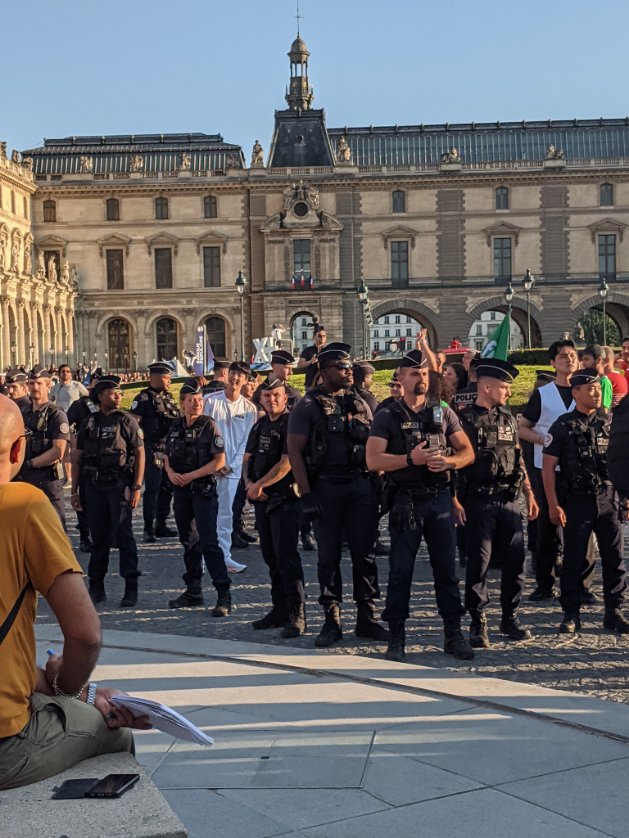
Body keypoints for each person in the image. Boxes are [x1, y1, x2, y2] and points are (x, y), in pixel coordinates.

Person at [0, 394, 149, 790]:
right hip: (2, 746)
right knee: (114, 733)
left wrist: (73, 691)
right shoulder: (21, 504)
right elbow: (85, 636)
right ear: (19, 449)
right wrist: (73, 691)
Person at [366, 349, 475, 662]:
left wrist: (449, 462)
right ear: (401, 378)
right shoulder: (388, 415)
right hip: (406, 500)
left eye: (425, 374)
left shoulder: (441, 411)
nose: (421, 379)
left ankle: (453, 634)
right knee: (401, 571)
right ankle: (397, 638)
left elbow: (467, 452)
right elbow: (372, 460)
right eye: (414, 374)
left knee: (446, 570)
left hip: (439, 498)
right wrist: (408, 459)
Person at [288, 342, 387, 647]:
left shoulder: (361, 401)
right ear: (324, 371)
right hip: (326, 487)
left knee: (364, 554)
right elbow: (294, 450)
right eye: (342, 368)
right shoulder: (307, 405)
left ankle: (367, 618)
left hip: (360, 485)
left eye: (349, 368)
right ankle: (332, 620)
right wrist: (305, 496)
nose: (348, 373)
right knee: (328, 556)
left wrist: (379, 485)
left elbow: (375, 444)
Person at [456, 359, 538, 647]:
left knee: (516, 561)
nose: (508, 393)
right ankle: (478, 621)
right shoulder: (463, 419)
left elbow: (518, 455)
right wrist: (454, 500)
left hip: (509, 499)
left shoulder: (508, 418)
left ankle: (509, 616)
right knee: (479, 563)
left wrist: (528, 492)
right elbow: (453, 465)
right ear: (487, 386)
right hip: (478, 499)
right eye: (504, 387)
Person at [542, 369, 628, 634]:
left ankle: (614, 611)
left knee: (615, 558)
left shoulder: (611, 423)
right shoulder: (563, 425)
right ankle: (571, 614)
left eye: (598, 388)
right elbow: (548, 467)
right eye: (590, 389)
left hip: (608, 498)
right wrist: (553, 504)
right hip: (577, 500)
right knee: (574, 559)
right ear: (575, 392)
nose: (596, 393)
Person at [518, 339, 590, 602]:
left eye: (572, 355)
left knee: (581, 526)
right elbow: (523, 427)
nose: (568, 359)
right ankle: (545, 582)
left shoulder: (586, 390)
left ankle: (581, 583)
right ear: (552, 363)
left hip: (579, 469)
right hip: (546, 467)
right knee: (547, 527)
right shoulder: (543, 394)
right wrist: (541, 439)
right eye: (562, 356)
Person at [71, 376, 145, 607]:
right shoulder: (89, 422)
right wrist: (74, 490)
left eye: (119, 392)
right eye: (113, 392)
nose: (118, 396)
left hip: (118, 486)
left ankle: (130, 588)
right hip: (93, 487)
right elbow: (77, 458)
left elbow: (140, 452)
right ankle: (96, 586)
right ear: (100, 396)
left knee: (124, 536)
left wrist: (136, 487)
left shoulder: (126, 420)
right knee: (98, 538)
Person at [164, 379, 231, 616]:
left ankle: (223, 594)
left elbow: (219, 461)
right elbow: (166, 454)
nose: (196, 404)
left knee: (209, 543)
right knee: (189, 542)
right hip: (181, 491)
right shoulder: (175, 426)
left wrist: (191, 475)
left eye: (199, 400)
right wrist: (171, 472)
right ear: (182, 403)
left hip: (203, 490)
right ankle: (193, 591)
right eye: (191, 400)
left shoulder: (209, 426)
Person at [244, 379, 306, 636]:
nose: (272, 399)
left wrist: (259, 484)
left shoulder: (291, 423)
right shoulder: (259, 425)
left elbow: (287, 462)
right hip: (261, 501)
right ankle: (278, 609)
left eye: (276, 395)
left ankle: (297, 613)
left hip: (284, 501)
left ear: (285, 397)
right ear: (261, 399)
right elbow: (247, 458)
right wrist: (249, 483)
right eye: (267, 395)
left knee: (287, 557)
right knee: (270, 556)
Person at [204, 361, 258, 573]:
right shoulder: (210, 401)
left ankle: (224, 556)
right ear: (227, 375)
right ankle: (202, 557)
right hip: (210, 467)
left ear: (246, 381)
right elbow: (203, 434)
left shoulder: (249, 408)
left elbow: (247, 441)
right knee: (206, 513)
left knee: (226, 514)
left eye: (240, 376)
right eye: (233, 374)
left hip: (231, 470)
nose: (235, 379)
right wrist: (213, 463)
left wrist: (232, 465)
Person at [13, 365, 71, 528]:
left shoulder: (56, 415)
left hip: (46, 481)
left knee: (55, 530)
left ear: (48, 385)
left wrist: (30, 464)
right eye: (31, 383)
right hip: (24, 480)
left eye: (39, 383)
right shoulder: (22, 413)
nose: (35, 387)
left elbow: (57, 451)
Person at [130, 361, 178, 542]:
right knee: (153, 489)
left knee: (167, 488)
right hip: (151, 449)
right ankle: (148, 528)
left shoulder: (168, 397)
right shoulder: (142, 399)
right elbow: (134, 426)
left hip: (168, 449)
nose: (169, 381)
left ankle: (161, 524)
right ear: (154, 377)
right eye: (166, 377)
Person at [66, 372, 102, 553]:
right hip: (85, 457)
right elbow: (65, 424)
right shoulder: (80, 405)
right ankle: (85, 536)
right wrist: (73, 441)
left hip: (106, 460)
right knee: (84, 500)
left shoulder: (109, 406)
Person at [51, 364, 89, 485]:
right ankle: (68, 478)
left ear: (71, 374)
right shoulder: (55, 387)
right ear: (59, 374)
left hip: (73, 422)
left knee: (76, 449)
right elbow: (50, 401)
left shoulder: (77, 386)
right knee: (64, 451)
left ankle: (79, 475)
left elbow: (88, 399)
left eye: (68, 371)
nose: (65, 374)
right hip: (60, 422)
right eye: (63, 371)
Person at [580, 345, 612, 410]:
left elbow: (604, 409)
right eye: (583, 360)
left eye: (586, 359)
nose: (583, 363)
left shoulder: (604, 382)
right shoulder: (587, 380)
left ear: (598, 360)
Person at [297, 325, 327, 391]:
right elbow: (299, 365)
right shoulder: (308, 350)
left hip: (325, 384)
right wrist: (310, 361)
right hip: (310, 384)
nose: (322, 338)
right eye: (319, 336)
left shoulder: (328, 351)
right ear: (314, 337)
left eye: (324, 336)